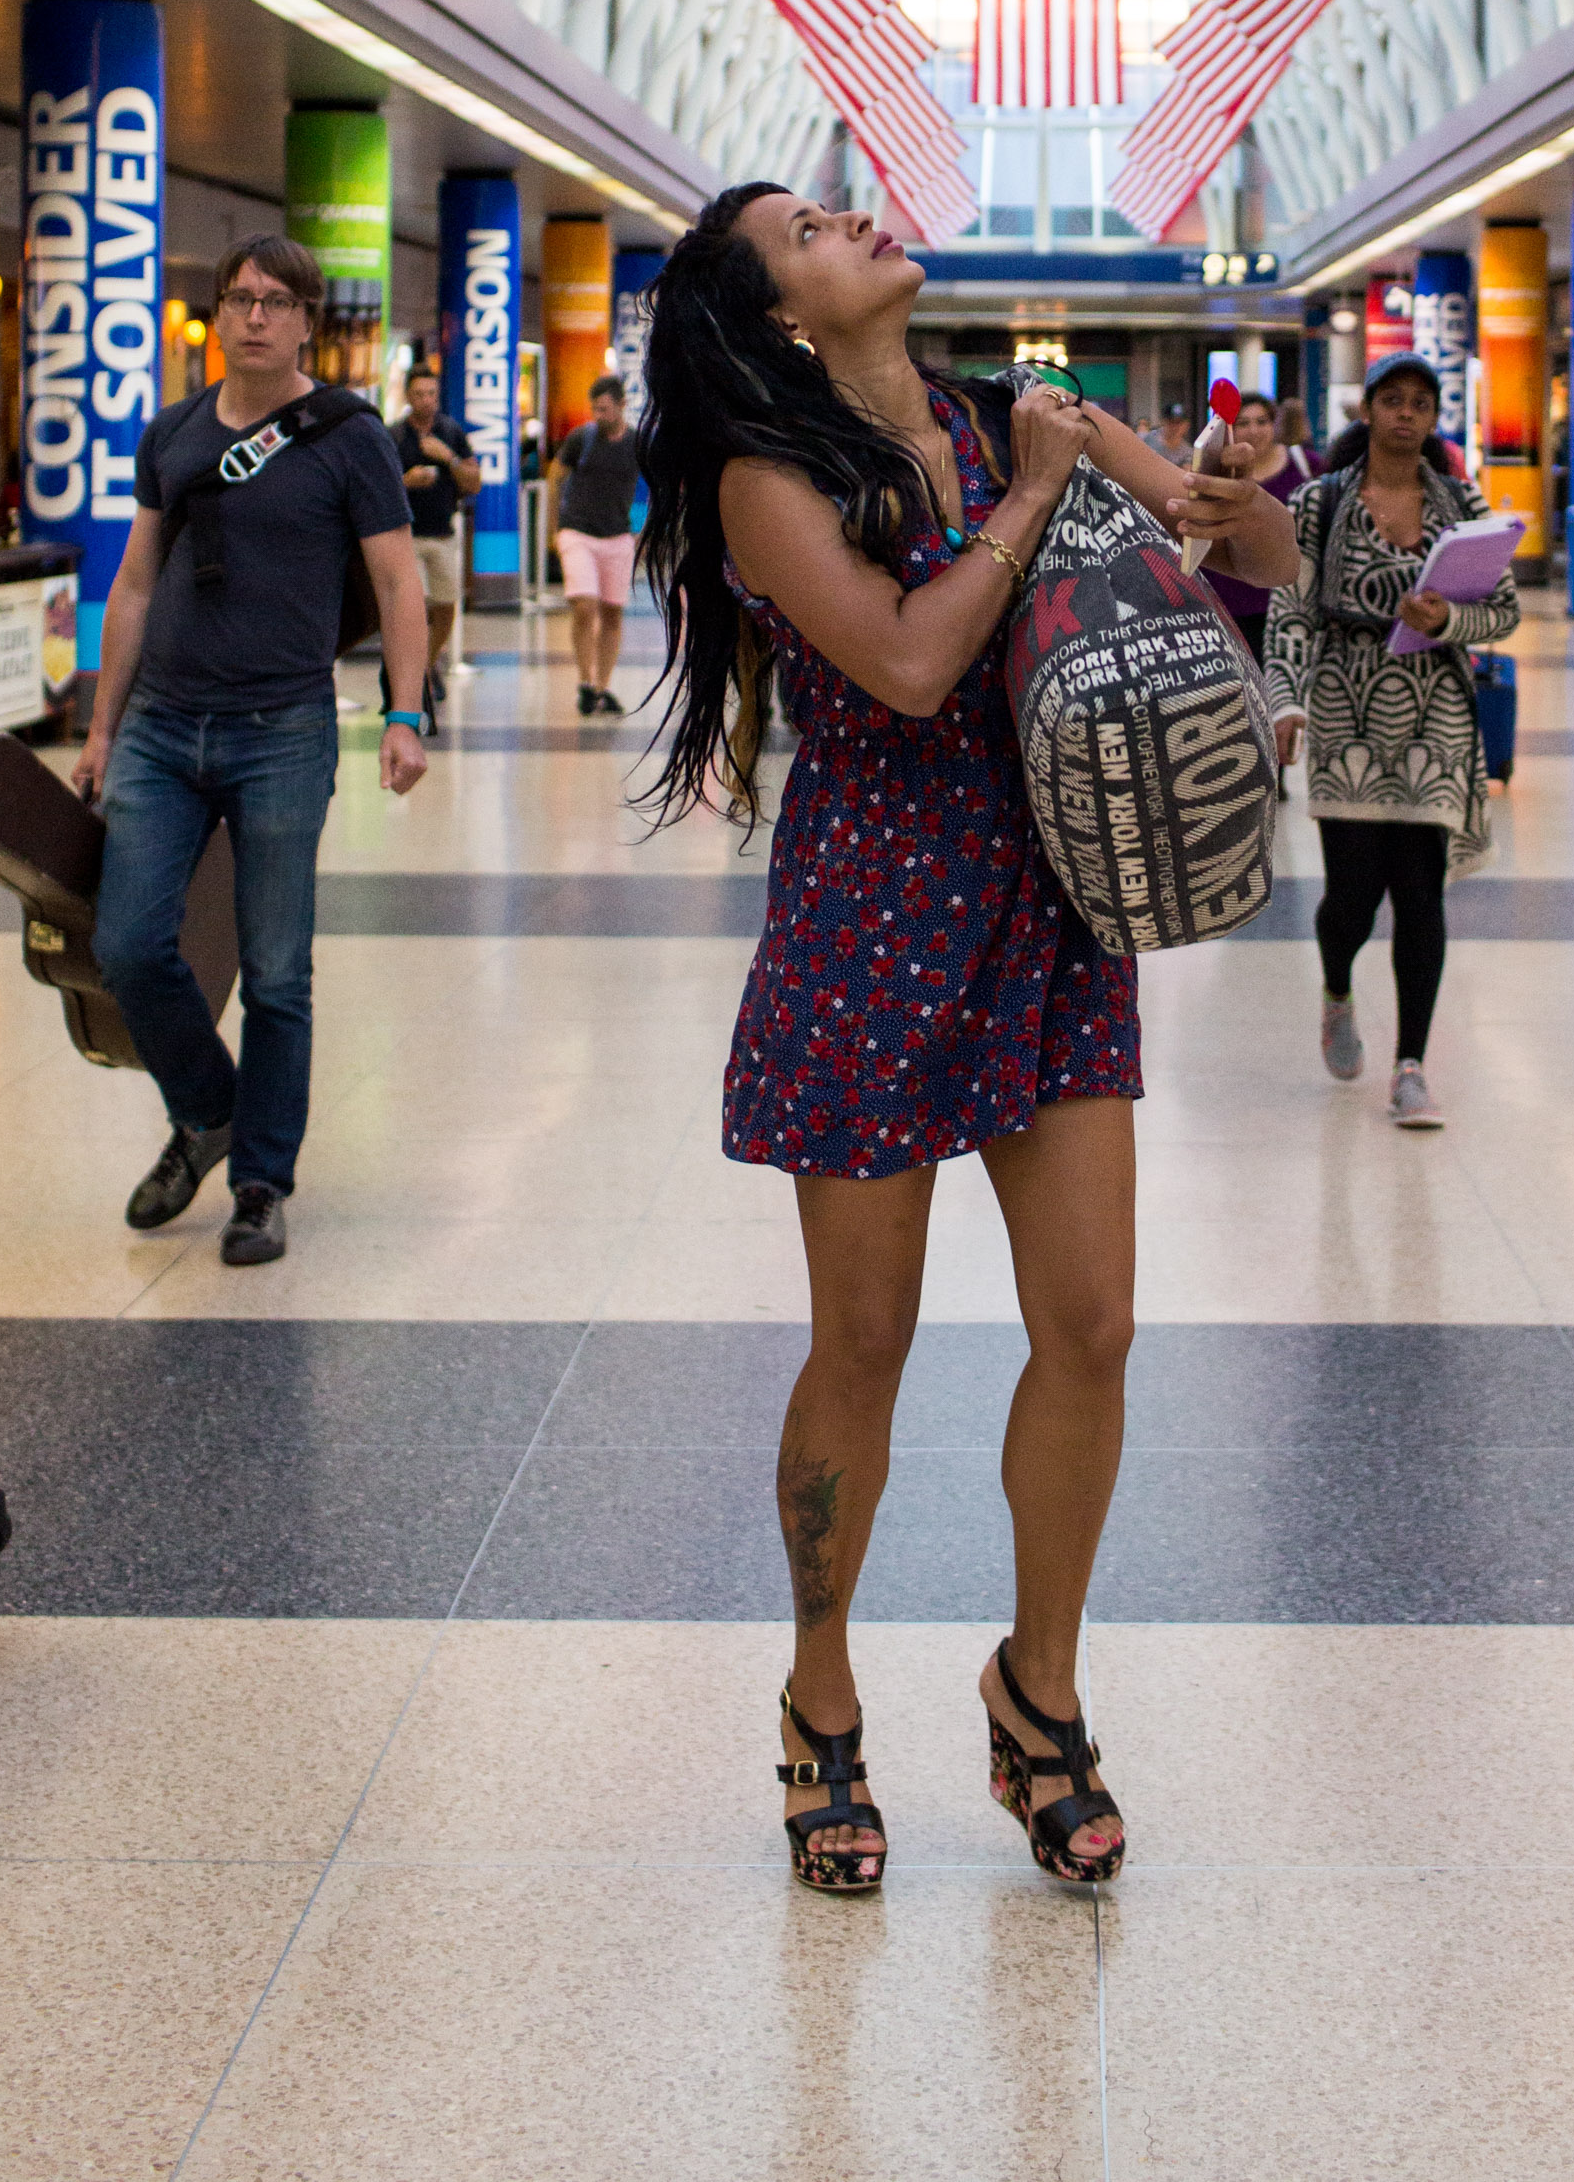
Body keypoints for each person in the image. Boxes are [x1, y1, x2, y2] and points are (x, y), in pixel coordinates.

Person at [638, 185, 1297, 1894]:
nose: (850, 219)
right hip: (870, 919)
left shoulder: (1015, 412)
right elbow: (912, 666)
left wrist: (1226, 495)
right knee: (865, 1338)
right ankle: (820, 1691)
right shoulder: (768, 482)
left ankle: (1038, 1692)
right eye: (804, 230)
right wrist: (1028, 493)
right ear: (777, 314)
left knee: (1093, 1322)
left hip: (1054, 900)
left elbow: (1246, 552)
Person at [74, 239, 428, 1266]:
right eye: (239, 299)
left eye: (276, 302)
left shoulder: (348, 439)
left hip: (282, 729)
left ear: (308, 321)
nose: (256, 317)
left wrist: (405, 714)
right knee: (130, 946)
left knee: (277, 972)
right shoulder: (172, 433)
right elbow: (134, 586)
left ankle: (260, 1180)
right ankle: (209, 1109)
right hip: (160, 728)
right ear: (219, 314)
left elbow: (400, 584)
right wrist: (101, 727)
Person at [1265, 353, 1520, 1127]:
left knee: (1418, 893)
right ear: (1368, 411)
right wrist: (1284, 701)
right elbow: (1291, 609)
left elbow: (1503, 611)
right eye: (1393, 400)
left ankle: (1411, 1064)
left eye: (1421, 403)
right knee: (1351, 896)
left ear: (1434, 418)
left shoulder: (1462, 501)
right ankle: (1337, 984)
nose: (1407, 414)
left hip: (1434, 712)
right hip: (1346, 707)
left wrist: (1451, 621)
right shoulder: (1320, 502)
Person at [390, 361, 475, 736]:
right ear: (408, 396)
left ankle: (428, 662)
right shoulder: (393, 436)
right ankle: (417, 677)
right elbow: (376, 487)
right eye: (419, 394)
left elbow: (474, 482)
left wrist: (448, 458)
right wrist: (405, 481)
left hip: (442, 533)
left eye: (431, 394)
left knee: (446, 606)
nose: (426, 400)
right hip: (406, 535)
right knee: (415, 607)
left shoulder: (451, 432)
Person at [551, 371, 642, 715]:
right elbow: (555, 476)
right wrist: (554, 528)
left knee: (612, 612)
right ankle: (585, 681)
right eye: (595, 409)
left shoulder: (636, 443)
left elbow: (658, 485)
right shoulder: (581, 439)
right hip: (577, 532)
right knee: (585, 606)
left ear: (622, 405)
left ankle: (602, 687)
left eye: (604, 409)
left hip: (617, 534)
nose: (598, 416)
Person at [1205, 389, 1316, 670]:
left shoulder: (1305, 466)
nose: (1254, 431)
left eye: (1262, 421)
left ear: (1274, 424)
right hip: (1228, 604)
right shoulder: (1214, 472)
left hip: (1289, 602)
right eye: (1243, 423)